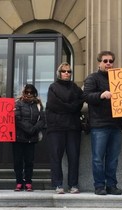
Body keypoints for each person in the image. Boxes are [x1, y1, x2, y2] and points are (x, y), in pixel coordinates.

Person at [83, 51, 122, 195]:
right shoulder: (92, 78)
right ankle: (99, 186)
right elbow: (86, 96)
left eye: (110, 61)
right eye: (105, 61)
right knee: (98, 158)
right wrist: (101, 95)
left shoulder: (119, 78)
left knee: (113, 158)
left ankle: (111, 185)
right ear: (99, 63)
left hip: (116, 125)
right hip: (99, 125)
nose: (108, 63)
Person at [46, 62, 83, 194]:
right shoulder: (53, 87)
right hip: (56, 128)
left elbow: (80, 103)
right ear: (59, 73)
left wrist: (67, 107)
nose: (67, 73)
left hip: (73, 128)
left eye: (69, 71)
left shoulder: (75, 88)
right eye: (64, 71)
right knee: (56, 157)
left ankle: (73, 184)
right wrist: (70, 107)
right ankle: (58, 184)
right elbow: (53, 104)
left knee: (74, 157)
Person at [13, 84, 45, 192]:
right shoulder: (18, 103)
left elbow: (42, 119)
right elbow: (17, 119)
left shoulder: (39, 105)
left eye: (31, 92)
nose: (29, 94)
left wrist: (34, 128)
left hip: (31, 138)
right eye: (27, 92)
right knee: (18, 161)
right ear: (23, 93)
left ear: (35, 93)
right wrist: (29, 128)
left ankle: (28, 181)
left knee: (29, 161)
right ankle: (18, 181)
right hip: (19, 137)